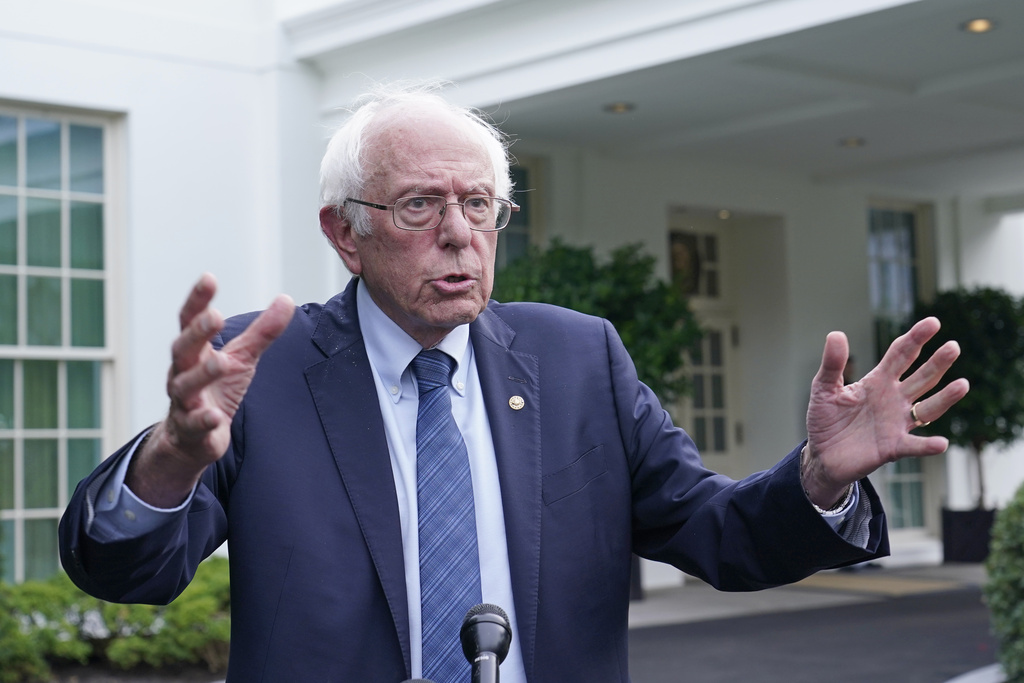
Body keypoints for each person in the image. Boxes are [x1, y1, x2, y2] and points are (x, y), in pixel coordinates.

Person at [59, 86, 969, 683]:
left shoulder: (579, 359)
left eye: (481, 204)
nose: (459, 232)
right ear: (345, 234)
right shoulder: (265, 364)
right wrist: (173, 459)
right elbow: (121, 570)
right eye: (420, 204)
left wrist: (819, 478)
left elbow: (722, 538)